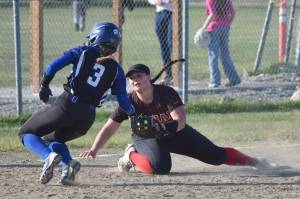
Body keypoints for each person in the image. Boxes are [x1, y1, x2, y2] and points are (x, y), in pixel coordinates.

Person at [80, 64, 276, 175]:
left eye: (139, 76)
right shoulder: (128, 101)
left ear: (149, 78)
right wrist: (94, 149)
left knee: (216, 156)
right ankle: (130, 155)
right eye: (131, 78)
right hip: (145, 138)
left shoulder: (165, 93)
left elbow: (180, 120)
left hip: (173, 133)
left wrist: (163, 126)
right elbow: (110, 126)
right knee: (160, 168)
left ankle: (258, 162)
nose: (134, 80)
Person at [18, 22, 135, 185]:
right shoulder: (117, 69)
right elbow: (123, 100)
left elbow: (52, 67)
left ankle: (48, 157)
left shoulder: (82, 51)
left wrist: (44, 85)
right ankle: (69, 165)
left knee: (25, 132)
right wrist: (134, 113)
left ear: (96, 37)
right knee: (52, 139)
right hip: (87, 118)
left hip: (67, 106)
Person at [202, 0, 241, 88]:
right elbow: (233, 13)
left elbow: (212, 15)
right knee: (225, 55)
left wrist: (203, 28)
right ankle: (234, 79)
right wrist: (228, 24)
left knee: (213, 55)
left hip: (214, 29)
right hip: (225, 27)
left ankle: (215, 81)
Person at [148, 0, 173, 85]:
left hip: (172, 13)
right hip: (159, 13)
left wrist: (165, 1)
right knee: (163, 46)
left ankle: (177, 73)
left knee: (171, 43)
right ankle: (168, 75)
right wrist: (156, 1)